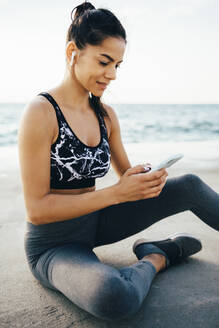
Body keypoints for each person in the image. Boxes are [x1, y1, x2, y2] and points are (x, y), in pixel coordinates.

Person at [18, 1, 219, 322]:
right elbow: (37, 211)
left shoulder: (105, 115)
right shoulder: (41, 112)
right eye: (104, 61)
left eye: (118, 65)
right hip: (54, 246)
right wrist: (116, 193)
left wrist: (141, 178)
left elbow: (125, 174)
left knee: (190, 186)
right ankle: (156, 256)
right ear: (73, 51)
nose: (111, 74)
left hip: (98, 223)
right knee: (114, 297)